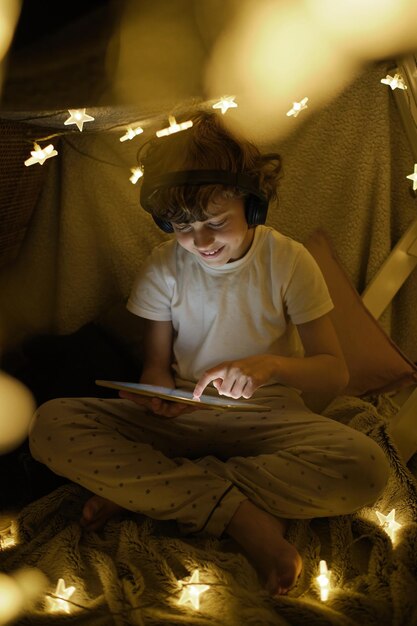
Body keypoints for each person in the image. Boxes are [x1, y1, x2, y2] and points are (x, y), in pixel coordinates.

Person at [29, 109, 389, 596]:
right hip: (184, 416)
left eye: (216, 222)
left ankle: (153, 491)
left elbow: (334, 376)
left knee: (366, 468)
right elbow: (156, 368)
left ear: (254, 206)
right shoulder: (163, 267)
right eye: (181, 226)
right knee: (50, 424)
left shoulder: (289, 261)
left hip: (270, 418)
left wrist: (271, 367)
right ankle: (239, 514)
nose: (199, 242)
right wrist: (155, 396)